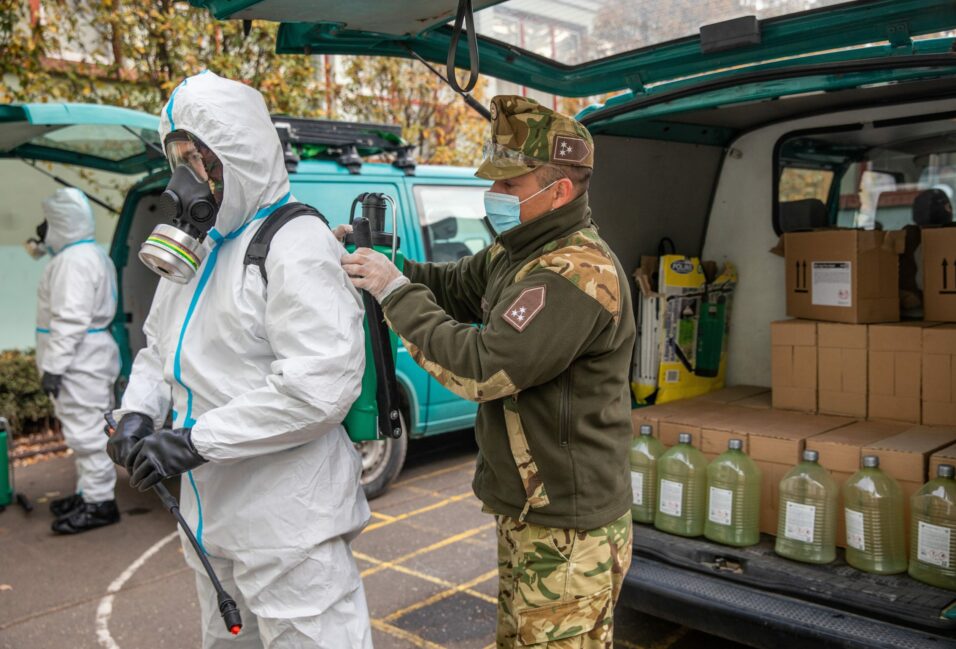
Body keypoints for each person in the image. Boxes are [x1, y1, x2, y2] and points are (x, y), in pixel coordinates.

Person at [343, 95, 636, 648]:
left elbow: (483, 368)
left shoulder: (574, 273)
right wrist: (376, 261)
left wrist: (392, 291)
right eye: (494, 183)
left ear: (560, 192)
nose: (492, 197)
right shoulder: (519, 250)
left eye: (509, 187)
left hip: (568, 526)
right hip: (534, 510)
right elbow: (451, 286)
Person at [107, 71, 372, 649]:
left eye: (201, 158)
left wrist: (193, 441)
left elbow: (319, 387)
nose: (187, 178)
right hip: (210, 520)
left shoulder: (294, 242)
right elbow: (159, 353)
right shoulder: (199, 249)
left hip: (287, 528)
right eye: (177, 157)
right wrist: (136, 416)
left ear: (244, 154)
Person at [28, 187, 121, 534]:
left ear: (62, 222)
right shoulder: (88, 254)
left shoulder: (74, 262)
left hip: (80, 362)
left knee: (87, 435)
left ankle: (100, 505)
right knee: (84, 430)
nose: (42, 229)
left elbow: (70, 320)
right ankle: (88, 494)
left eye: (48, 222)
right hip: (86, 359)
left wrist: (54, 366)